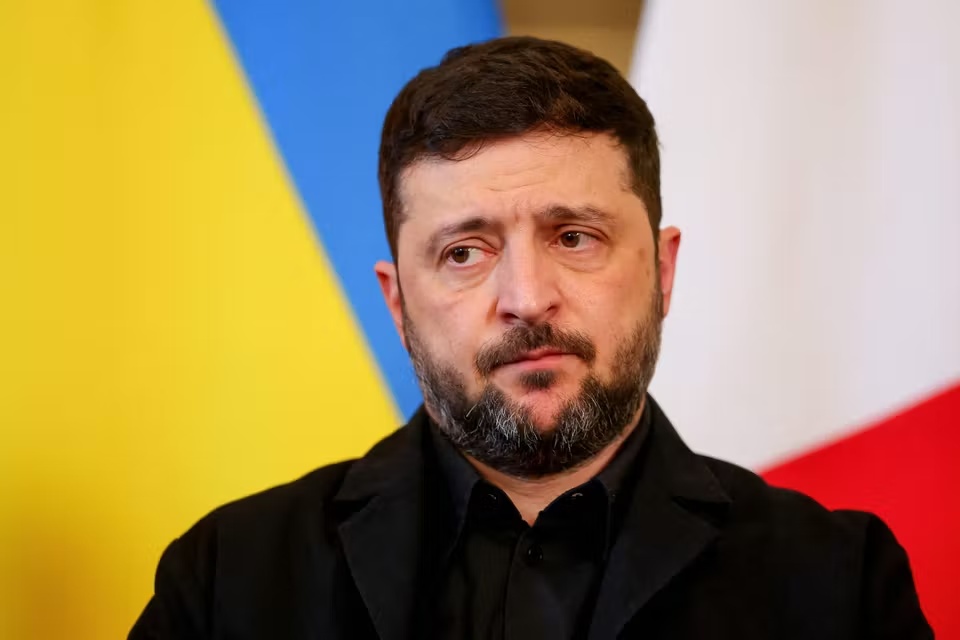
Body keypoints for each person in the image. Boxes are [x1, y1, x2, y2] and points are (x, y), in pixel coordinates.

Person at [129, 36, 932, 639]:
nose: (526, 298)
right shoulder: (226, 583)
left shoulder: (840, 585)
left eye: (574, 237)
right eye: (464, 253)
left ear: (661, 270)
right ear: (399, 304)